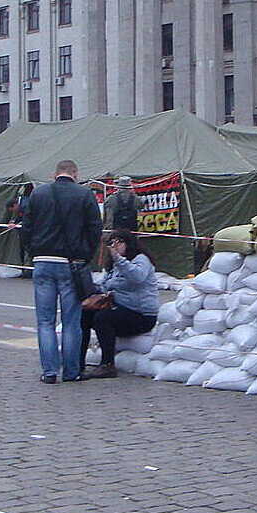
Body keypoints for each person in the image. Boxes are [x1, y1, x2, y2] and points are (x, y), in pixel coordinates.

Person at [21, 160, 102, 384]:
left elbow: (26, 227)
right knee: (71, 321)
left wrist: (33, 251)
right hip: (71, 264)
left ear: (55, 173)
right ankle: (71, 371)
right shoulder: (85, 195)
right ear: (75, 173)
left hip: (43, 262)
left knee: (45, 321)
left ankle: (49, 372)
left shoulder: (38, 194)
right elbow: (95, 229)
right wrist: (85, 256)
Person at [80, 229, 159, 379]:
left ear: (129, 244)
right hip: (122, 309)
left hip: (142, 315)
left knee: (103, 318)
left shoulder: (140, 259)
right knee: (86, 314)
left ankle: (107, 364)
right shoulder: (116, 265)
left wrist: (118, 258)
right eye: (112, 243)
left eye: (120, 242)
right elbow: (107, 284)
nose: (115, 246)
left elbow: (137, 277)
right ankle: (78, 362)